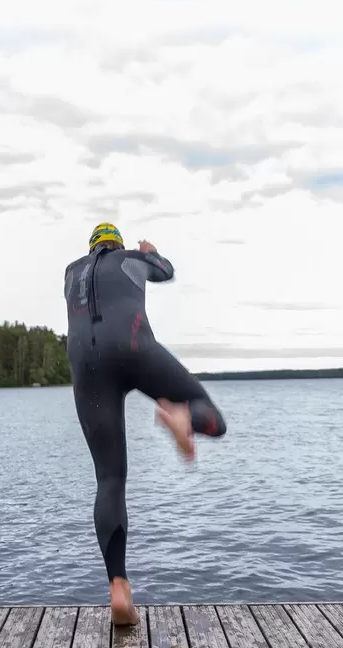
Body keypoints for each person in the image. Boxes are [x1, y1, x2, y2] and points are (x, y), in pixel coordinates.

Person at [63, 222, 226, 626]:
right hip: (134, 345)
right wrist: (152, 252)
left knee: (109, 479)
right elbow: (165, 271)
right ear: (118, 244)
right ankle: (183, 417)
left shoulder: (70, 272)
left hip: (86, 364)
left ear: (90, 247)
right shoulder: (131, 258)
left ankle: (118, 587)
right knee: (212, 417)